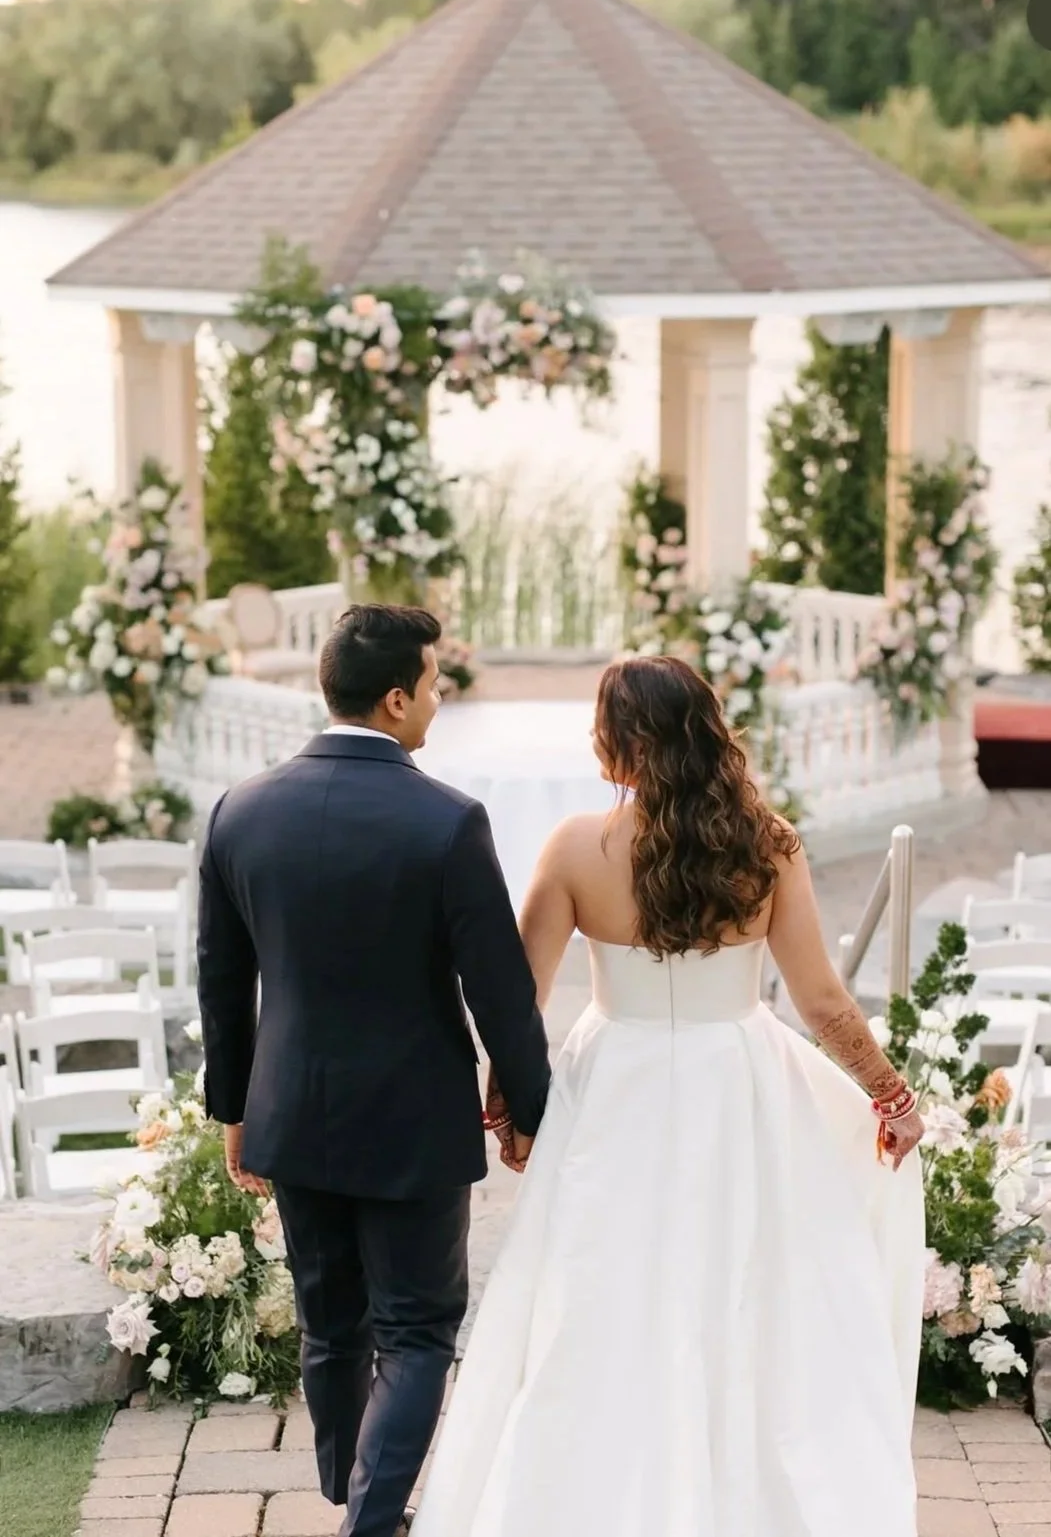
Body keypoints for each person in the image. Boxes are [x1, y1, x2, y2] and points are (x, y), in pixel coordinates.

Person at [414, 654, 925, 1537]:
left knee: (599, 1292)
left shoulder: (577, 846)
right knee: (747, 1286)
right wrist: (889, 1095)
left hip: (616, 1086)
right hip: (743, 1088)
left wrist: (512, 1110)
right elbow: (821, 1001)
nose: (589, 739)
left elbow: (518, 999)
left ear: (632, 740)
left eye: (600, 724)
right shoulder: (768, 843)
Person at [196, 604, 552, 1537]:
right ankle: (370, 1516)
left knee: (330, 1324)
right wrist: (528, 1108)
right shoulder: (445, 821)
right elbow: (501, 995)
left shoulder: (241, 810)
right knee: (420, 1330)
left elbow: (222, 984)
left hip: (291, 1112)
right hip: (412, 1124)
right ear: (395, 699)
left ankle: (354, 1497)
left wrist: (233, 1107)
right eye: (434, 685)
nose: (438, 701)